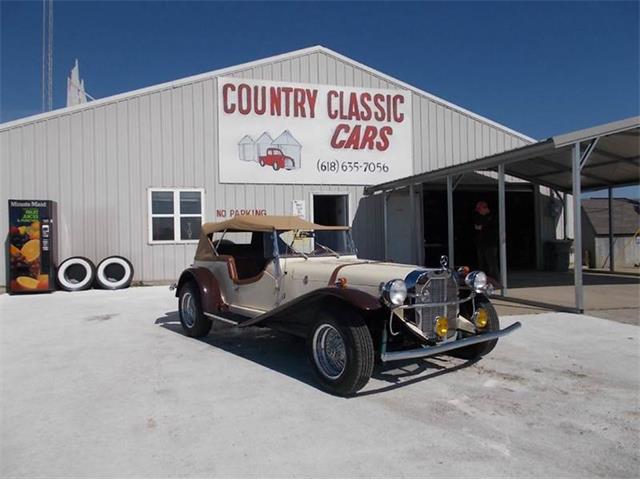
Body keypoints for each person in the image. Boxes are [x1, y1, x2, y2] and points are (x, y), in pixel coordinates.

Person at [473, 200, 499, 280]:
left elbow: (492, 228)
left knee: (491, 263)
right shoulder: (479, 217)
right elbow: (476, 226)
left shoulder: (493, 216)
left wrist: (482, 227)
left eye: (480, 210)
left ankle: (493, 279)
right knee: (482, 263)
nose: (479, 212)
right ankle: (483, 279)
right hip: (481, 243)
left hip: (490, 244)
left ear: (484, 208)